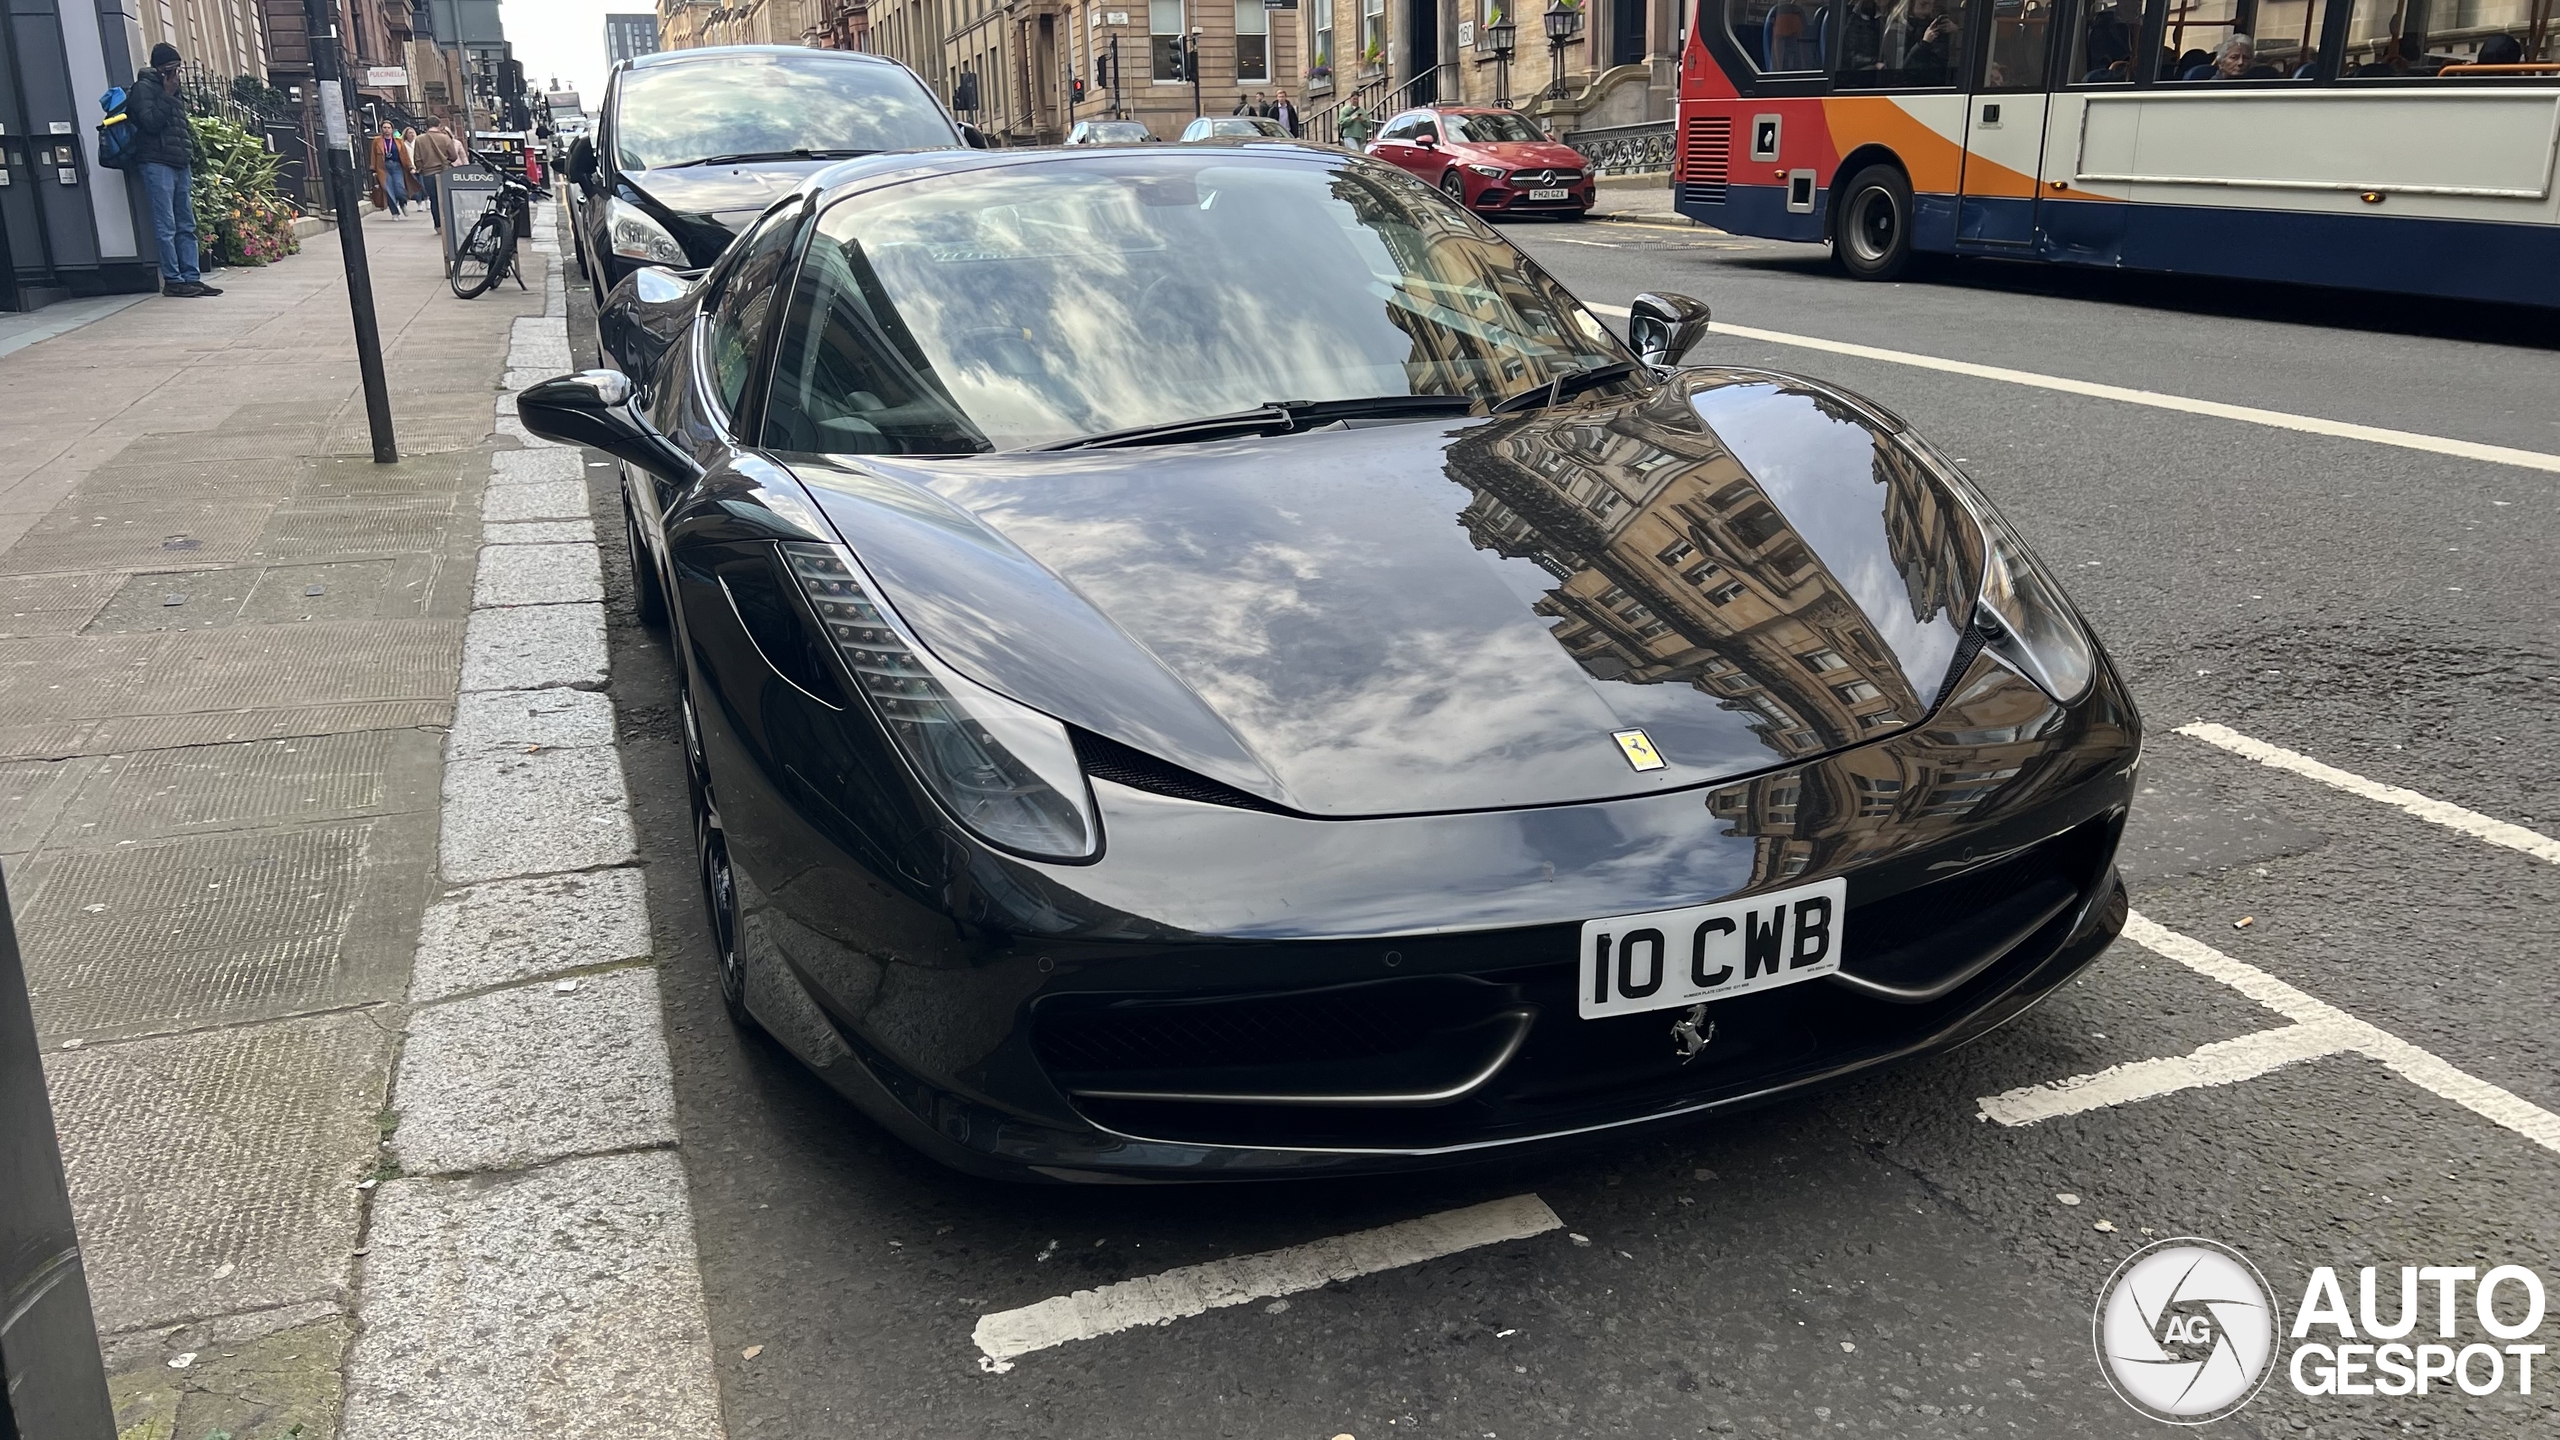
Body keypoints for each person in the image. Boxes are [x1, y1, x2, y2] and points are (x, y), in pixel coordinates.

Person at [124, 44, 219, 298]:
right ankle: (173, 279)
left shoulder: (174, 91)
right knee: (166, 225)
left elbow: (180, 128)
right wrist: (166, 94)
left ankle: (191, 277)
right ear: (158, 68)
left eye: (177, 68)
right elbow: (151, 123)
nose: (175, 74)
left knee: (186, 224)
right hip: (156, 162)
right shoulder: (143, 89)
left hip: (178, 163)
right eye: (170, 69)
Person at [410, 118, 464, 230]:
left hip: (428, 174)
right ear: (439, 125)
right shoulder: (445, 138)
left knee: (434, 200)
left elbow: (417, 159)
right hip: (444, 172)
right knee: (447, 199)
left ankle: (438, 225)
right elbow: (453, 156)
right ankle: (449, 223)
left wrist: (422, 169)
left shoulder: (419, 140)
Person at [370, 123, 412, 217]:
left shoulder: (398, 141)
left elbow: (405, 154)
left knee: (399, 188)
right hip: (383, 167)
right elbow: (373, 155)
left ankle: (402, 203)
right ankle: (394, 213)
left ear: (392, 129)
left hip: (397, 166)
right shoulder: (377, 141)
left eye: (389, 128)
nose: (386, 130)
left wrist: (410, 166)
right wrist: (373, 169)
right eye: (384, 127)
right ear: (381, 129)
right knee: (388, 190)